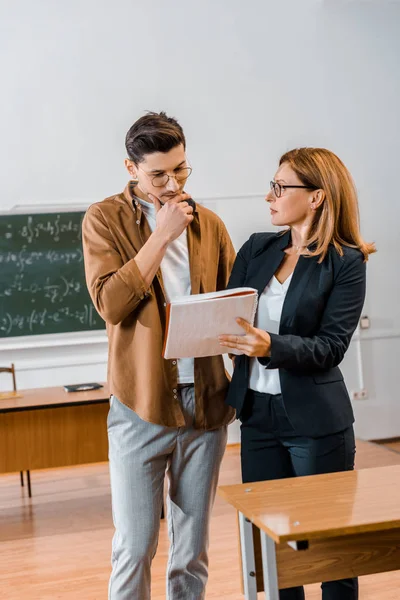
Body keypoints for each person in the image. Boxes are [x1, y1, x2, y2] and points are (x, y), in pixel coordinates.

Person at [82, 111, 235, 600]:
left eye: (182, 170)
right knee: (135, 545)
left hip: (207, 403)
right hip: (139, 404)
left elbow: (232, 300)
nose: (173, 184)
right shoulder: (102, 219)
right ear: (131, 168)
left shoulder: (209, 224)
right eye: (159, 175)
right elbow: (111, 303)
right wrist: (161, 235)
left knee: (191, 553)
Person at [219, 147, 375, 600]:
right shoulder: (257, 248)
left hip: (316, 423)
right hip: (258, 417)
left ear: (316, 197)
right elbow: (228, 315)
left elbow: (331, 347)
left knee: (330, 549)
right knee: (273, 547)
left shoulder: (346, 261)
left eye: (280, 187)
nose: (269, 196)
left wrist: (270, 345)